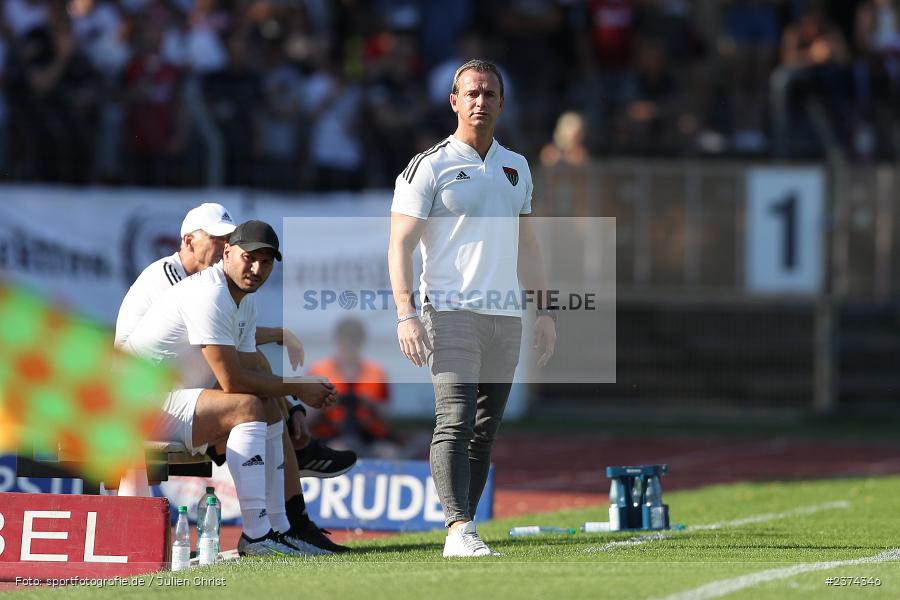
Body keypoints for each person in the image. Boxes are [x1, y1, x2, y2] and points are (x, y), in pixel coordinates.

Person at [388, 59, 556, 558]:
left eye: (489, 94)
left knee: (484, 430)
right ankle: (458, 527)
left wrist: (545, 311)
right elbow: (399, 244)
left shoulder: (517, 167)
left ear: (502, 103)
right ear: (454, 101)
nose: (480, 101)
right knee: (455, 418)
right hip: (449, 309)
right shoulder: (429, 166)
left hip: (504, 315)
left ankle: (465, 531)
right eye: (472, 93)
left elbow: (529, 246)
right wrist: (405, 313)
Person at [119, 215, 348, 555]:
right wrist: (299, 388)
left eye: (266, 262)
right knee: (248, 406)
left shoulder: (243, 296)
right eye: (249, 257)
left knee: (265, 406)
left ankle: (282, 529)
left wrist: (293, 402)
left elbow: (250, 364)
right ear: (227, 254)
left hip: (163, 400)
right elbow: (234, 380)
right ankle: (256, 536)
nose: (256, 268)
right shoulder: (210, 294)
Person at [307, 318, 399, 458]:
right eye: (345, 340)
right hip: (330, 435)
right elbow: (306, 417)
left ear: (361, 342)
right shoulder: (318, 371)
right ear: (337, 340)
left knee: (389, 453)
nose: (349, 346)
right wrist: (327, 405)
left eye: (353, 341)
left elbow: (388, 416)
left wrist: (369, 404)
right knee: (339, 450)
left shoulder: (376, 373)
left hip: (368, 436)